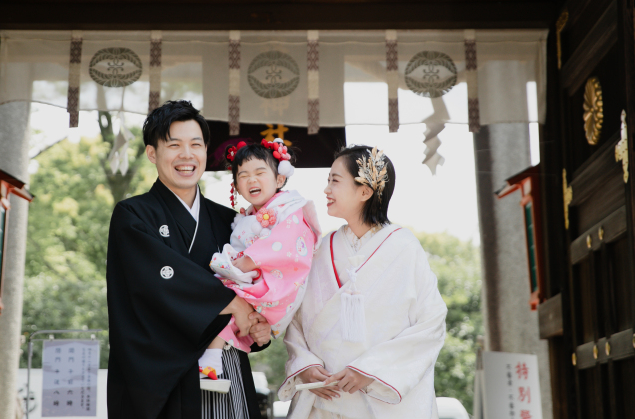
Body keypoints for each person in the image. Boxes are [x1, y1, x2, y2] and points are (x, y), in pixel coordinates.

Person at [106, 100, 271, 419]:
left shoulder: (231, 221)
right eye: (174, 145)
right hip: (160, 380)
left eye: (196, 144)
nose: (186, 155)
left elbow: (259, 287)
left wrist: (260, 327)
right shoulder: (133, 216)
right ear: (152, 153)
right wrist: (232, 303)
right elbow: (156, 281)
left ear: (206, 152)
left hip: (225, 368)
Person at [278, 146, 447, 419]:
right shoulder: (321, 248)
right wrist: (305, 365)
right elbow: (296, 317)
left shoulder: (404, 247)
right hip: (324, 398)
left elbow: (431, 322)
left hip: (378, 400)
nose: (326, 189)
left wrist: (370, 370)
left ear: (365, 191)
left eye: (334, 180)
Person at [198, 140, 321, 379]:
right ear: (235, 186)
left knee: (221, 293)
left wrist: (241, 265)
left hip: (277, 281)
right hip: (255, 279)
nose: (251, 180)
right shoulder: (246, 216)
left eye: (260, 172)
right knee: (225, 307)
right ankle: (212, 360)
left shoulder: (291, 208)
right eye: (243, 175)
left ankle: (211, 358)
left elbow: (285, 244)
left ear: (279, 179)